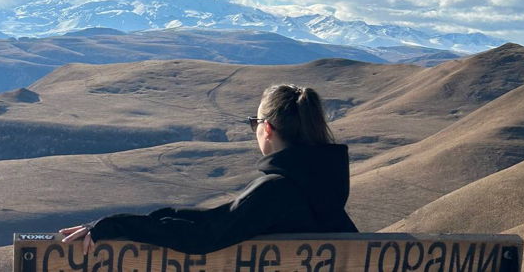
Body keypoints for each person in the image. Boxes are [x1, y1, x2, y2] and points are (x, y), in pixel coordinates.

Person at [60, 84, 358, 255]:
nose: (254, 130)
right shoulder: (326, 190)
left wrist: (114, 225)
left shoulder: (277, 190)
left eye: (253, 123)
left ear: (267, 128)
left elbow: (203, 236)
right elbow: (221, 219)